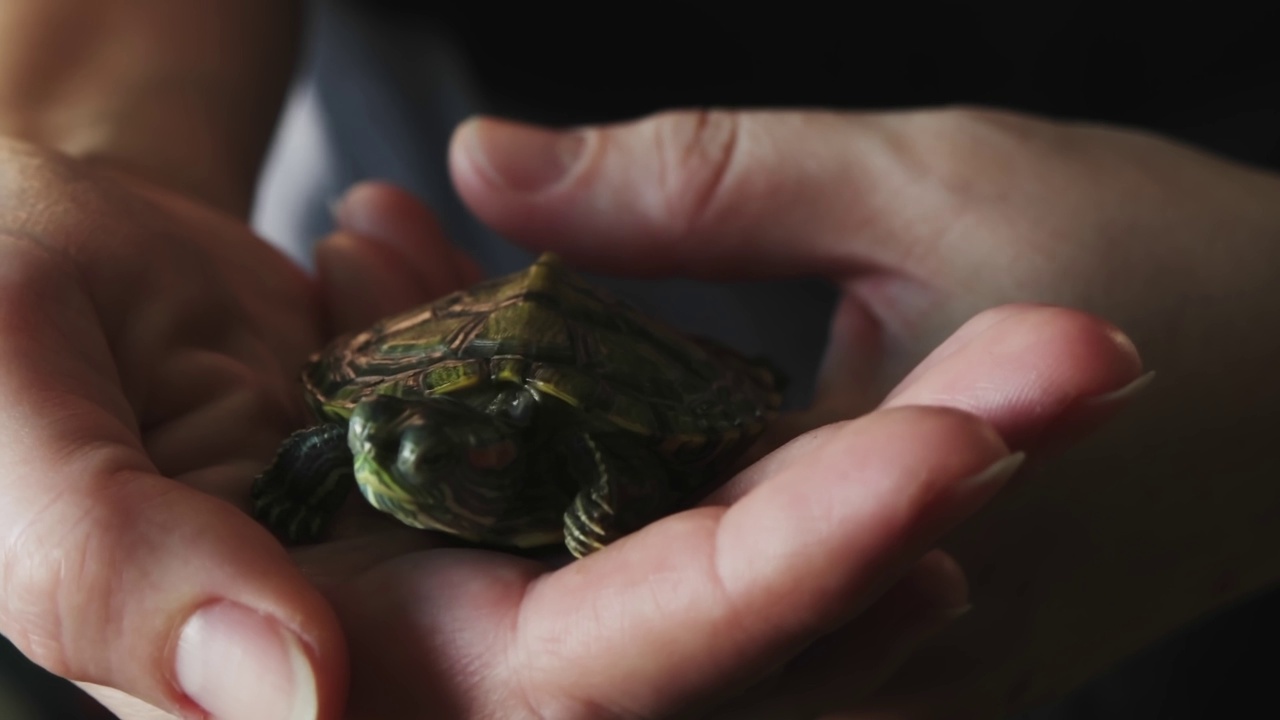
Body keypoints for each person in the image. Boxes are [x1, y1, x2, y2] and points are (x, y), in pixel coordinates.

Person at [0, 2, 1275, 719]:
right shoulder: (381, 431)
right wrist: (94, 149)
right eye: (384, 443)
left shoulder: (568, 450)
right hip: (381, 153)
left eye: (414, 446)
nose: (386, 449)